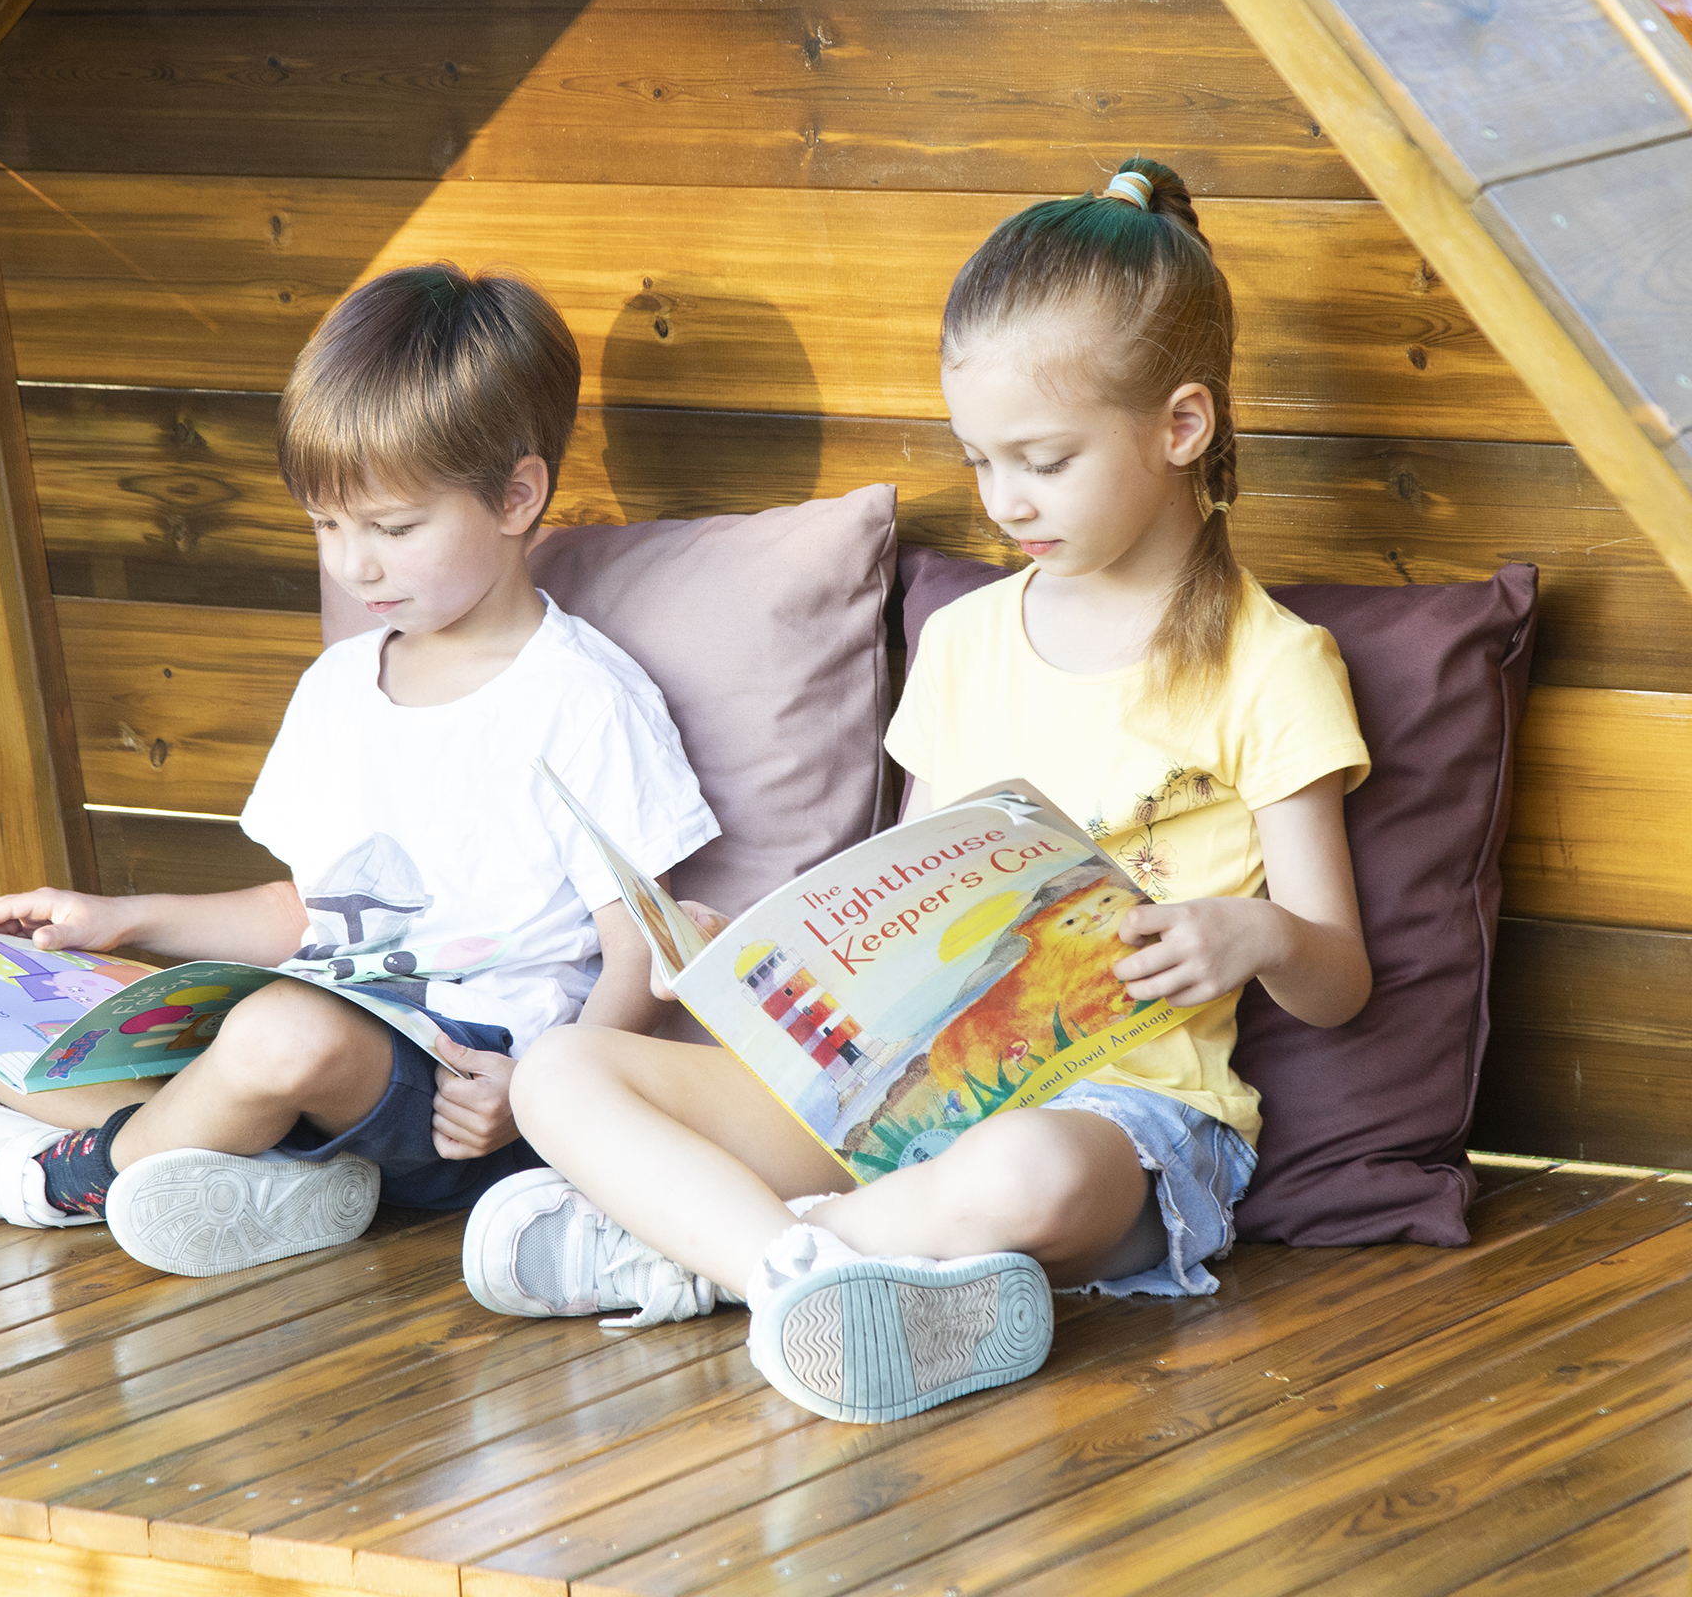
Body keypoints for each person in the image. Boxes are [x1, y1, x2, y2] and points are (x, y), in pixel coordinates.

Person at [462, 158, 1373, 1425]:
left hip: (1130, 1115)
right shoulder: (965, 640)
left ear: (1180, 426)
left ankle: (701, 1256)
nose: (1005, 500)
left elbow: (1337, 980)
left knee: (1025, 1171)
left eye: (1043, 460)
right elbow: (898, 912)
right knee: (562, 1066)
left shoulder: (1268, 663)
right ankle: (809, 1274)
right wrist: (758, 965)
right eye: (979, 459)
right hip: (905, 1102)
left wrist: (1255, 933)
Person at [0, 266, 718, 1276]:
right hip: (304, 1036)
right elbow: (301, 911)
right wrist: (122, 918)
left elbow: (641, 955)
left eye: (392, 528)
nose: (353, 565)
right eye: (325, 525)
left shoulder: (580, 699)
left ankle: (60, 1182)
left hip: (462, 1084)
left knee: (280, 1030)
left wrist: (533, 1088)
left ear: (515, 494)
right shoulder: (338, 684)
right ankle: (273, 1175)